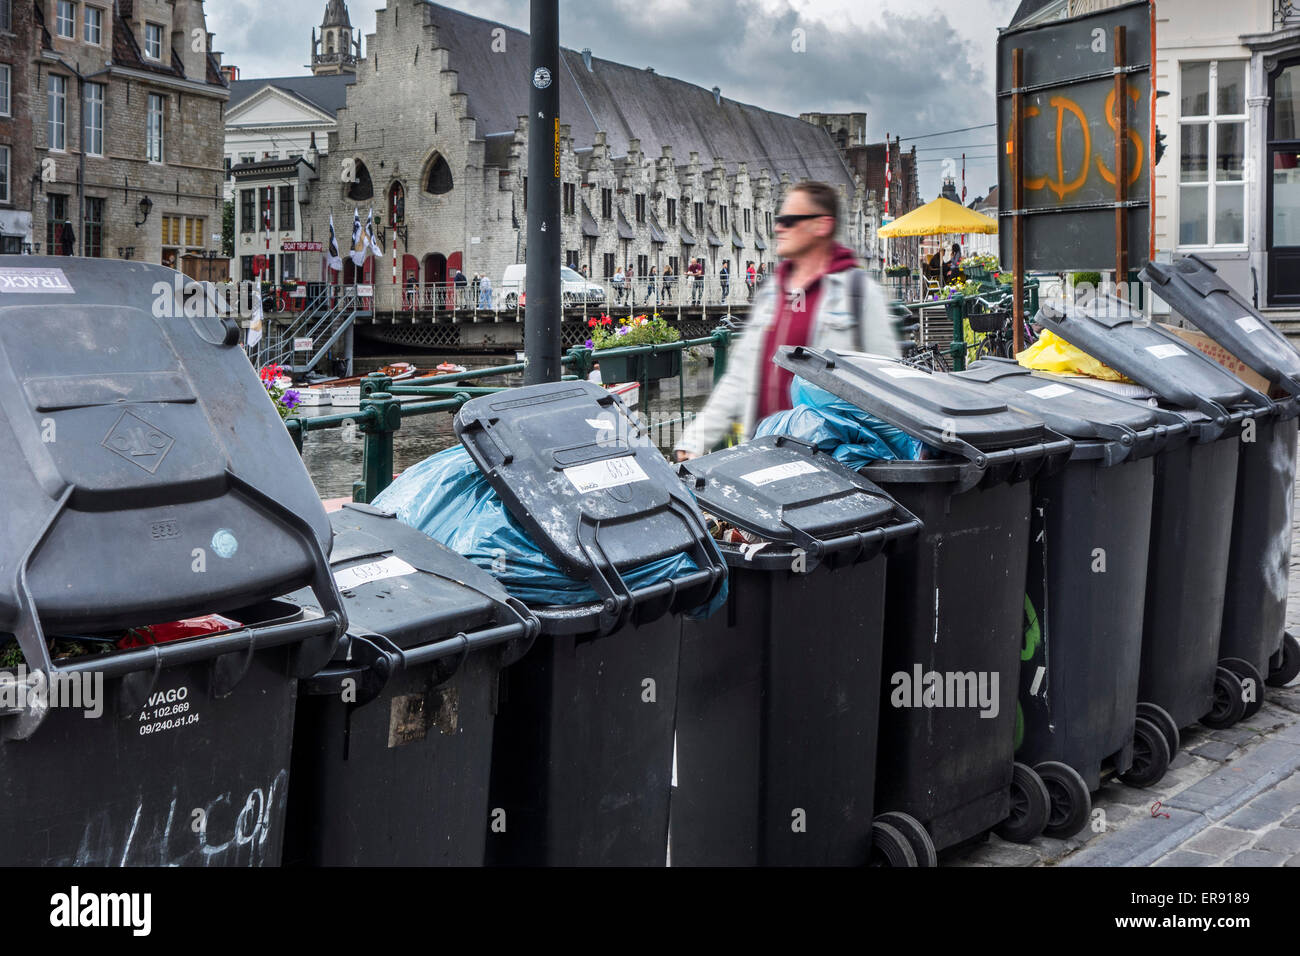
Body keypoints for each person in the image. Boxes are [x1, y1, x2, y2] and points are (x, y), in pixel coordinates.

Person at [673, 180, 900, 461]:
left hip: (826, 460)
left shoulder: (858, 292)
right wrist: (695, 439)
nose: (779, 227)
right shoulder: (773, 292)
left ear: (822, 225)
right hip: (761, 451)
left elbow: (888, 385)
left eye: (790, 220)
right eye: (779, 219)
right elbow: (740, 376)